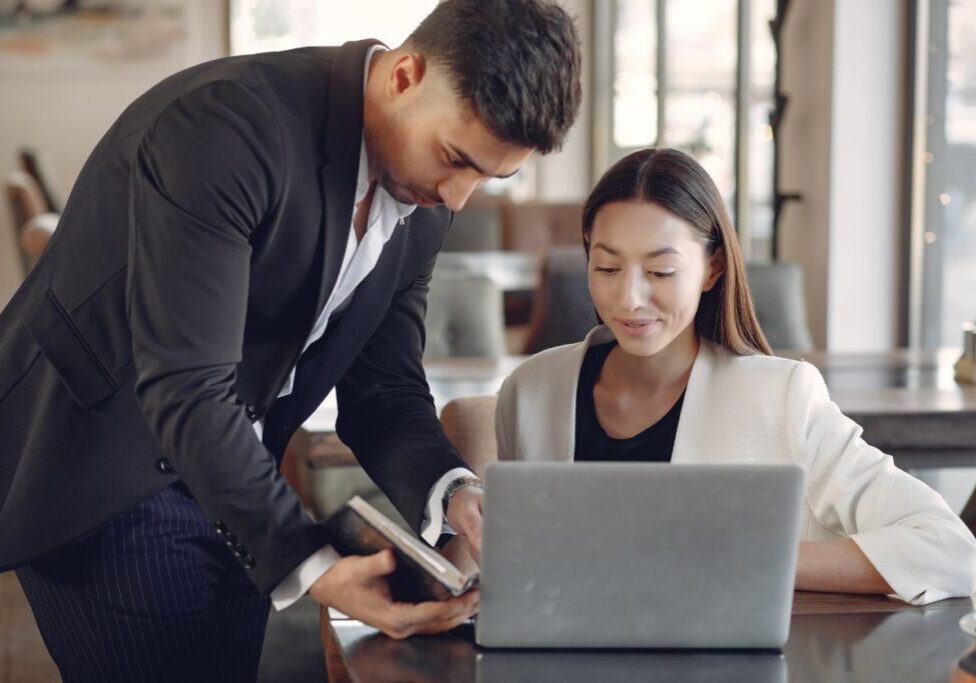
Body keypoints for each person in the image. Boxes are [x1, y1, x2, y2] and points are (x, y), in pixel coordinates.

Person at [0, 0, 581, 679]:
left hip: (231, 466)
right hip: (102, 459)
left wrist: (454, 492)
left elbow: (383, 388)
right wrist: (313, 561)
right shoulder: (226, 126)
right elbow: (187, 386)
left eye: (489, 175)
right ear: (405, 77)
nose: (460, 197)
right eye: (456, 159)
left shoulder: (423, 199)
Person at [493, 148, 976, 605]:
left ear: (712, 268)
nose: (629, 298)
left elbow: (949, 549)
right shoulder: (531, 392)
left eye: (661, 271)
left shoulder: (781, 396)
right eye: (607, 266)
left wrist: (745, 559)